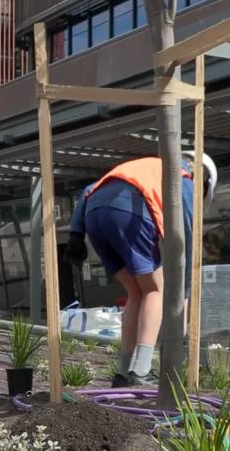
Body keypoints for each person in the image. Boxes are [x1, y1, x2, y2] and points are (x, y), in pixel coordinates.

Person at [65, 152, 217, 387]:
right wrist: (185, 290)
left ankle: (123, 371)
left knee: (136, 291)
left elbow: (88, 190)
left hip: (94, 217)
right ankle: (142, 369)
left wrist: (76, 233)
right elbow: (186, 240)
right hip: (129, 214)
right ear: (203, 181)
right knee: (155, 289)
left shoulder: (148, 167)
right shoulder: (184, 180)